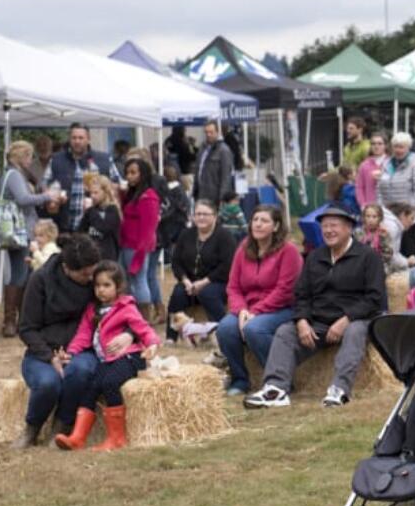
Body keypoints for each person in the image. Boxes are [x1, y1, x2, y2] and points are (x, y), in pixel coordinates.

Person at [244, 203, 385, 409]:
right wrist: (301, 320)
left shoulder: (368, 257)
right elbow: (301, 294)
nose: (328, 230)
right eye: (325, 226)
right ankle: (276, 389)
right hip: (319, 321)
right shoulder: (315, 257)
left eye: (334, 225)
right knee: (285, 331)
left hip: (356, 319)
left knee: (355, 332)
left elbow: (374, 298)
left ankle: (339, 389)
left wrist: (346, 320)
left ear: (349, 228)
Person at [54, 261, 159, 451]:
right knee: (91, 386)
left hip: (130, 358)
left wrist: (152, 345)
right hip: (108, 360)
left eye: (106, 285)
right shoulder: (93, 310)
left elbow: (143, 328)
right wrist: (70, 353)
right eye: (97, 285)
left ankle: (116, 438)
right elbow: (83, 335)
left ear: (118, 287)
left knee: (110, 383)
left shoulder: (126, 307)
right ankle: (78, 437)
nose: (100, 290)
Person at [13, 234, 106, 448]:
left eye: (93, 271)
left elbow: (123, 306)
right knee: (48, 383)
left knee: (80, 371)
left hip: (83, 349)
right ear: (66, 268)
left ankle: (62, 425)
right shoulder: (40, 279)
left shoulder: (99, 278)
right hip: (44, 350)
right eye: (85, 274)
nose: (91, 279)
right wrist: (49, 356)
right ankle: (32, 429)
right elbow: (26, 328)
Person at [218, 205, 303, 397]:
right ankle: (240, 380)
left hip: (282, 308)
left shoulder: (288, 251)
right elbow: (233, 287)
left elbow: (285, 290)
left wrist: (255, 312)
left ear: (276, 226)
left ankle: (278, 379)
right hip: (247, 309)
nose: (258, 224)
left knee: (254, 329)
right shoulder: (243, 248)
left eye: (264, 221)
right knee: (225, 328)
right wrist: (241, 310)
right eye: (255, 219)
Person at [0, 141, 61, 336]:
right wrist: (47, 196)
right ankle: (12, 321)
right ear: (21, 157)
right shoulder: (15, 175)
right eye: (28, 156)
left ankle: (17, 319)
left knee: (22, 273)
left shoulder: (10, 174)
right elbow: (23, 200)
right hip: (21, 230)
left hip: (17, 229)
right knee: (20, 275)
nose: (30, 160)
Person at [165, 199, 236, 342]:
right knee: (178, 293)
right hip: (189, 282)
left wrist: (203, 282)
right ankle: (171, 336)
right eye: (198, 214)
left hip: (218, 281)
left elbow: (227, 266)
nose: (201, 217)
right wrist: (185, 281)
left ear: (215, 216)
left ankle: (224, 331)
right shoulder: (186, 234)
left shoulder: (225, 236)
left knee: (207, 293)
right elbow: (176, 262)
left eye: (205, 214)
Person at [45, 122, 121, 233]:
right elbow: (43, 183)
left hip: (93, 225)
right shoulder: (56, 159)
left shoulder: (103, 159)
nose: (77, 141)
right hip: (64, 224)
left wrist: (101, 194)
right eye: (74, 138)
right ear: (69, 139)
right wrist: (53, 196)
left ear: (88, 139)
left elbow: (116, 184)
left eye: (81, 138)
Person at [118, 157, 161, 320]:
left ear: (142, 174)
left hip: (137, 246)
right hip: (126, 243)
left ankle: (144, 317)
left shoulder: (148, 197)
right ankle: (131, 314)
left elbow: (149, 229)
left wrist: (140, 253)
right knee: (128, 280)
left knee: (140, 280)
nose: (129, 176)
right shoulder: (132, 194)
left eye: (133, 173)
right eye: (127, 173)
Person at [377, 131, 415, 223]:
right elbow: (379, 190)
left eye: (401, 147)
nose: (398, 150)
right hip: (388, 216)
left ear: (408, 148)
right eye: (395, 146)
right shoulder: (386, 165)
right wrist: (381, 208)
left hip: (410, 218)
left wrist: (406, 211)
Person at [77, 174, 121, 264]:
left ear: (105, 192)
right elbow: (81, 231)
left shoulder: (112, 210)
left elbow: (103, 228)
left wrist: (92, 211)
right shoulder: (91, 211)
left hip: (108, 256)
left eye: (96, 193)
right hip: (92, 254)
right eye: (90, 193)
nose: (92, 196)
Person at [192, 121, 235, 205]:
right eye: (206, 132)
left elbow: (226, 177)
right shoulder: (202, 148)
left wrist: (222, 198)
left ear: (217, 132)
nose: (208, 135)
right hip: (201, 194)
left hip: (214, 197)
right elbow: (198, 170)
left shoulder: (223, 150)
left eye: (211, 132)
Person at [358, 203, 407, 275]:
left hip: (379, 268)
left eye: (374, 217)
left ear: (380, 218)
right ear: (364, 217)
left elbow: (389, 254)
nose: (370, 220)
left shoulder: (383, 234)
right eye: (368, 216)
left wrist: (383, 240)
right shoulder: (359, 233)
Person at [356, 132, 387, 207]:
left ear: (385, 145)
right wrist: (363, 205)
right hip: (370, 209)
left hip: (388, 207)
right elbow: (359, 187)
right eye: (373, 144)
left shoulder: (391, 163)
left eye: (380, 143)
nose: (376, 146)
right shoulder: (364, 165)